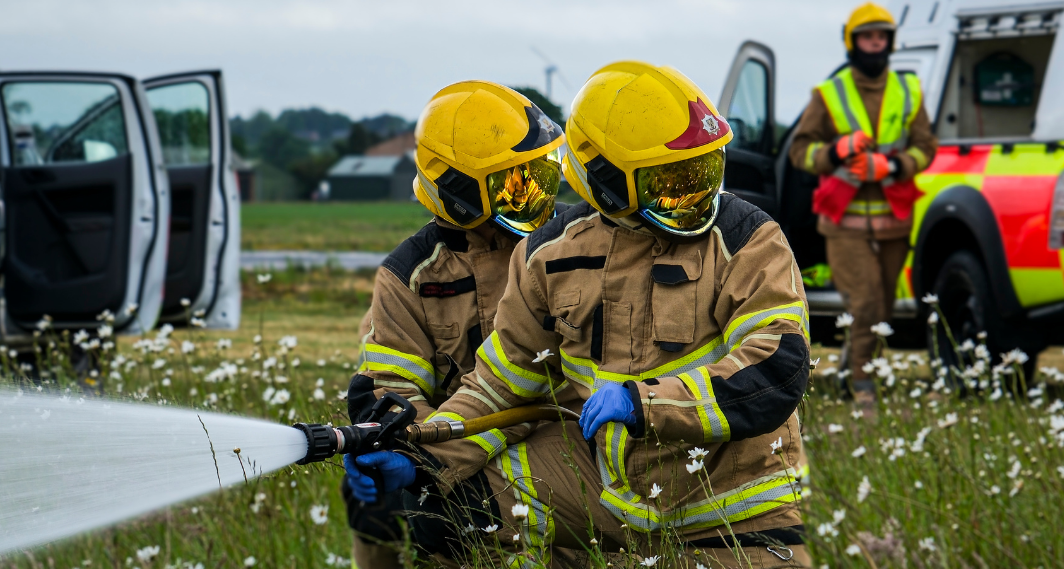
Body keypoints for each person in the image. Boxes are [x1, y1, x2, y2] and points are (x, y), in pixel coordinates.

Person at [351, 61, 812, 568]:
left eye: (705, 173)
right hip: (607, 490)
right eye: (672, 181)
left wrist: (646, 403)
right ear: (609, 182)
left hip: (731, 505)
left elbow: (777, 366)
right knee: (452, 510)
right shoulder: (548, 256)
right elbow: (501, 386)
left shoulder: (748, 239)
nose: (696, 197)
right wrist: (423, 462)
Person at [339, 80, 567, 569]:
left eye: (543, 175)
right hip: (452, 444)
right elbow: (389, 391)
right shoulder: (408, 278)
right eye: (517, 182)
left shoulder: (571, 245)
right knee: (374, 496)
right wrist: (423, 461)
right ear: (462, 195)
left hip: (559, 434)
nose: (540, 195)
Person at [789, 2, 937, 404]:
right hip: (842, 221)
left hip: (894, 219)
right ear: (852, 43)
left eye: (882, 38)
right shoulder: (828, 94)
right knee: (866, 300)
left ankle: (848, 370)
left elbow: (927, 148)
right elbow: (799, 152)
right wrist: (836, 150)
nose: (875, 45)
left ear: (890, 43)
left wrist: (890, 164)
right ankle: (863, 387)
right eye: (868, 38)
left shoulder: (908, 90)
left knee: (882, 308)